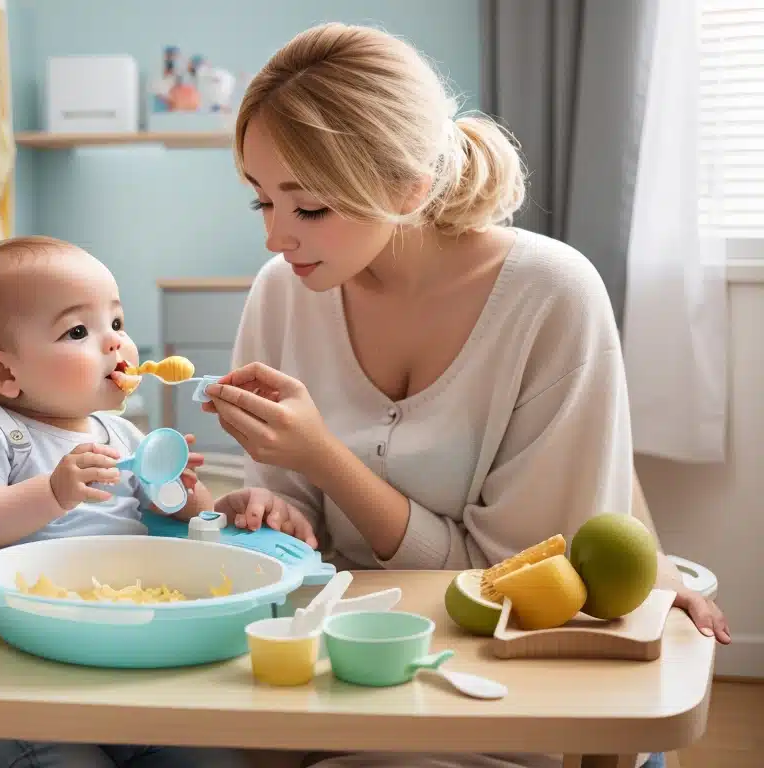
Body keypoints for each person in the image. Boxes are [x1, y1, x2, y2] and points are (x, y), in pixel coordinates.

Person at [196, 22, 730, 768]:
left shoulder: (550, 298)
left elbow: (509, 587)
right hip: (332, 676)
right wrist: (267, 513)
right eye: (261, 203)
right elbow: (297, 543)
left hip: (497, 687)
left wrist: (324, 458)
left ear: (410, 187)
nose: (276, 239)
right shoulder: (283, 294)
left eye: (308, 207)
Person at [0, 235, 249, 768]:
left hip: (131, 636)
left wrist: (181, 490)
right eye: (78, 331)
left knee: (214, 755)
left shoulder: (121, 432)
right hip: (34, 647)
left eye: (117, 324)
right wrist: (51, 492)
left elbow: (174, 512)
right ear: (4, 374)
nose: (115, 346)